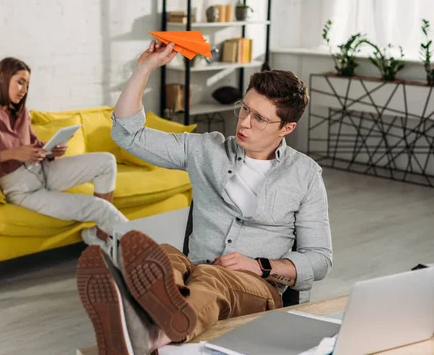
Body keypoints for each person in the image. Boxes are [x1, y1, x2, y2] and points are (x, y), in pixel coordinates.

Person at [76, 42, 333, 354]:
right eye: (245, 109)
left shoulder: (305, 175)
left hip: (257, 288)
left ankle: (146, 336)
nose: (245, 123)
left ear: (287, 127)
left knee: (211, 278)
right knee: (164, 256)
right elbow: (127, 135)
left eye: (260, 119)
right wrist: (143, 68)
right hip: (193, 269)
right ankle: (137, 326)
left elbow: (319, 258)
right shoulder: (206, 149)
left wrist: (261, 266)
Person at [0, 57, 127, 245]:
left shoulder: (21, 111)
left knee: (106, 161)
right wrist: (12, 153)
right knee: (100, 208)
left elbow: (34, 143)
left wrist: (51, 150)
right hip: (21, 189)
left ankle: (99, 236)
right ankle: (141, 244)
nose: (24, 90)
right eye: (20, 82)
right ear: (3, 79)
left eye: (27, 84)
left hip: (43, 170)